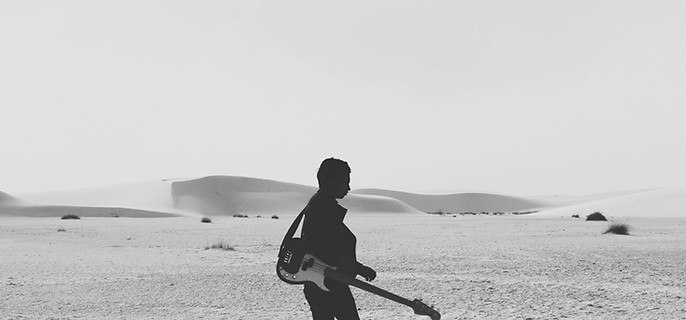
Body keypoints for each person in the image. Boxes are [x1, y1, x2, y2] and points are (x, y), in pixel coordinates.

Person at [301, 158, 377, 320]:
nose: (348, 187)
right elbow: (325, 250)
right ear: (332, 181)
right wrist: (359, 268)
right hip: (327, 284)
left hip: (326, 282)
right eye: (345, 182)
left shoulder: (321, 204)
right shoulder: (322, 208)